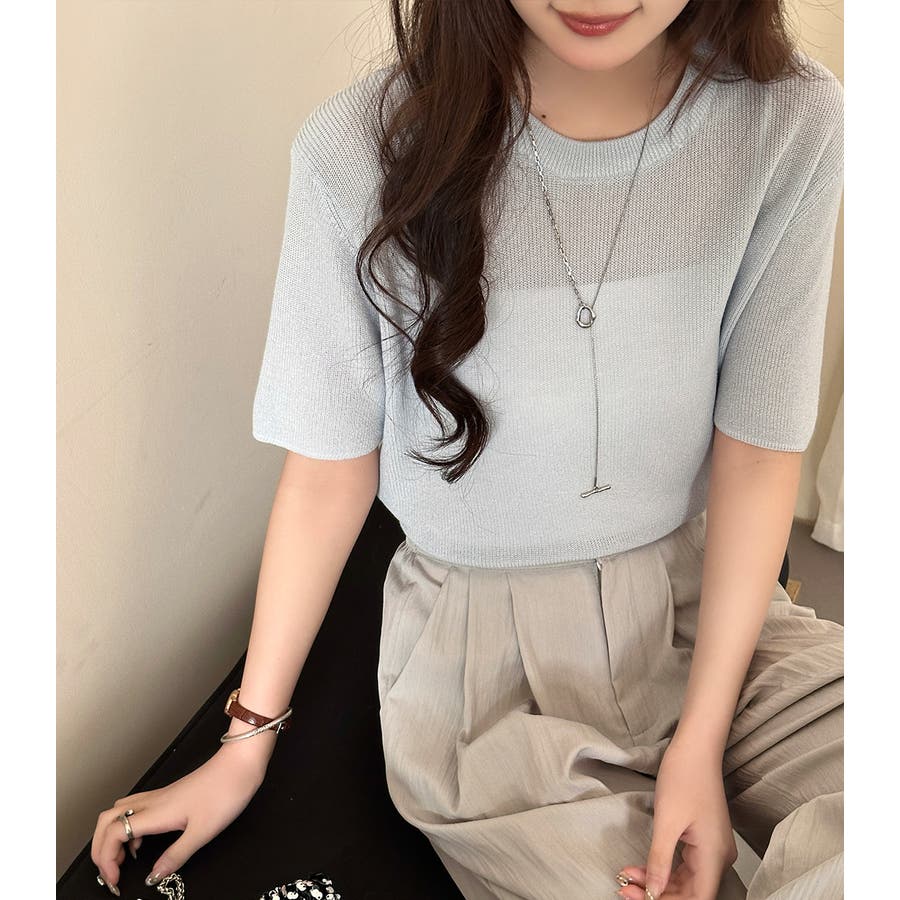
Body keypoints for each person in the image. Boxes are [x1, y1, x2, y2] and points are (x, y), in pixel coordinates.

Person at [91, 1, 844, 898]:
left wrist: (700, 741)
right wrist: (245, 743)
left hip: (712, 620)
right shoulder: (356, 152)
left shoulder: (788, 120)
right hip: (480, 682)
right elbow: (328, 476)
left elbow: (756, 452)